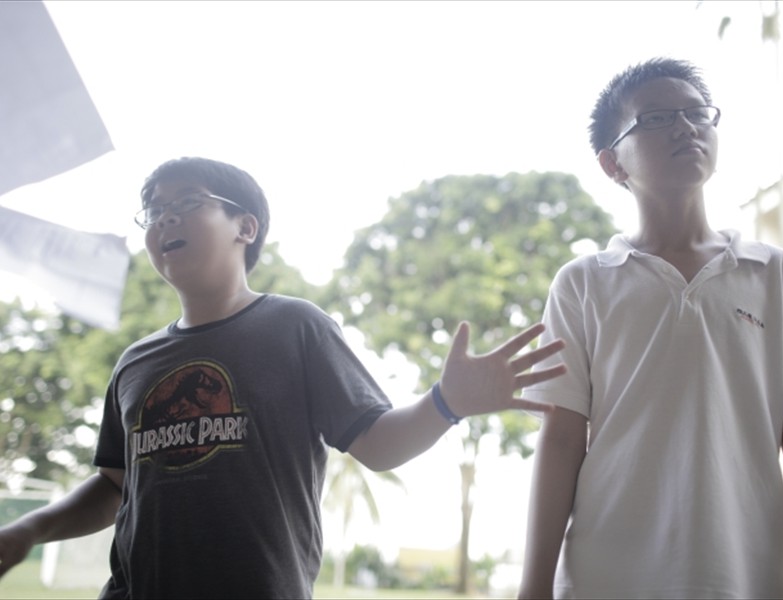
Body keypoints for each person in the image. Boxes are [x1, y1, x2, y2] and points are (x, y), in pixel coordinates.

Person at [0, 157, 566, 599]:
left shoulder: (295, 326)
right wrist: (29, 530)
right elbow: (116, 486)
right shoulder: (134, 362)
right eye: (154, 210)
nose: (165, 216)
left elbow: (377, 445)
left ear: (245, 227)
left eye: (188, 202)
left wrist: (447, 402)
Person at [517, 57, 783, 599]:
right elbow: (561, 440)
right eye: (656, 118)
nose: (685, 126)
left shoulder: (777, 275)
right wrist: (533, 587)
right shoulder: (583, 283)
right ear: (612, 164)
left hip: (751, 576)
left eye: (698, 113)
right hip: (608, 578)